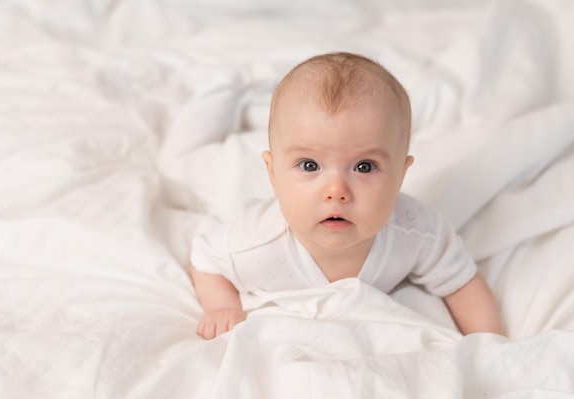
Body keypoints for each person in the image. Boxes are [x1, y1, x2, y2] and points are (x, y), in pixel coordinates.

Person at [190, 52, 504, 340]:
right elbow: (205, 261)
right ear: (272, 173)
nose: (336, 192)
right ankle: (226, 92)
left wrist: (490, 344)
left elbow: (463, 284)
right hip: (232, 185)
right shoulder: (252, 243)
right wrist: (221, 306)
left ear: (401, 174)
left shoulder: (419, 233)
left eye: (364, 167)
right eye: (309, 165)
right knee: (191, 166)